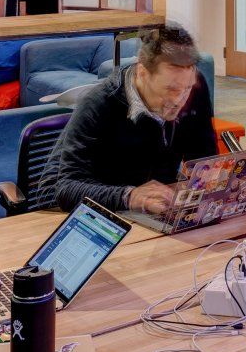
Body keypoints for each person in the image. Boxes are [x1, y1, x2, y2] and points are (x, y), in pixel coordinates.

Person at [40, 23, 217, 217]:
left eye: (187, 88)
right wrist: (130, 196)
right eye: (170, 89)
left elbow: (203, 158)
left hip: (151, 211)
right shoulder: (99, 103)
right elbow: (66, 188)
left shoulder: (194, 88)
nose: (179, 100)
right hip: (83, 211)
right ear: (142, 72)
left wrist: (211, 178)